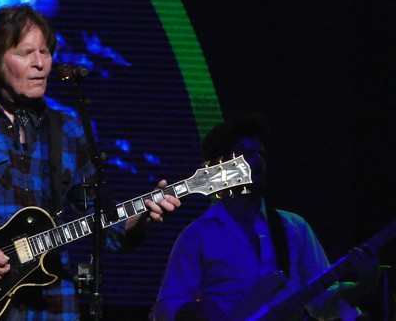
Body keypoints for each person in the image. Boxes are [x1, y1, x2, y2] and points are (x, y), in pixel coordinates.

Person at [0, 3, 180, 321]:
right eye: (26, 53)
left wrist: (142, 216)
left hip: (54, 307)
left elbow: (105, 225)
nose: (40, 64)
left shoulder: (66, 129)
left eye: (45, 52)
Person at [150, 113, 377, 321]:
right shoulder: (197, 236)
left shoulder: (294, 227)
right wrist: (197, 312)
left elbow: (321, 305)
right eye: (244, 154)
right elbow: (164, 308)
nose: (256, 161)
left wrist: (364, 286)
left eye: (260, 153)